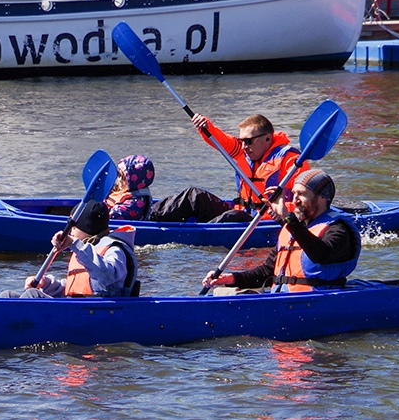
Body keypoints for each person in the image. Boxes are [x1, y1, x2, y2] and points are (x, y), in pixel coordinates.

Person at [201, 169, 360, 294]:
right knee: (220, 292)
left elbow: (321, 255)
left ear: (322, 198)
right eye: (294, 193)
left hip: (314, 300)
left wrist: (287, 218)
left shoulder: (338, 229)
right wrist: (230, 278)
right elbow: (267, 272)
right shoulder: (293, 228)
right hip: (281, 297)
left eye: (302, 194)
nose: (295, 200)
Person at [148, 113, 310, 224]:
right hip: (242, 212)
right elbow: (220, 140)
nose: (244, 146)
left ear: (267, 138)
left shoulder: (292, 161)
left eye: (248, 141)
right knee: (194, 196)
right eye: (242, 141)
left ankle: (199, 233)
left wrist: (283, 211)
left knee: (233, 217)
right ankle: (145, 216)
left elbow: (306, 202)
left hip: (264, 220)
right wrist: (205, 126)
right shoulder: (241, 151)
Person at [0, 201, 139, 298]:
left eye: (74, 228)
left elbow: (107, 276)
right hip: (77, 309)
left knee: (32, 296)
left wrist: (75, 244)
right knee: (7, 296)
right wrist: (46, 284)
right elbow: (72, 290)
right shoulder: (84, 248)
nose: (70, 231)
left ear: (87, 229)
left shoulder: (114, 250)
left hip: (97, 313)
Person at [106, 155, 155, 220]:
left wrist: (109, 203)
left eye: (123, 177)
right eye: (118, 174)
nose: (119, 179)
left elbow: (107, 216)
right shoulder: (123, 188)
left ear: (133, 181)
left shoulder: (136, 204)